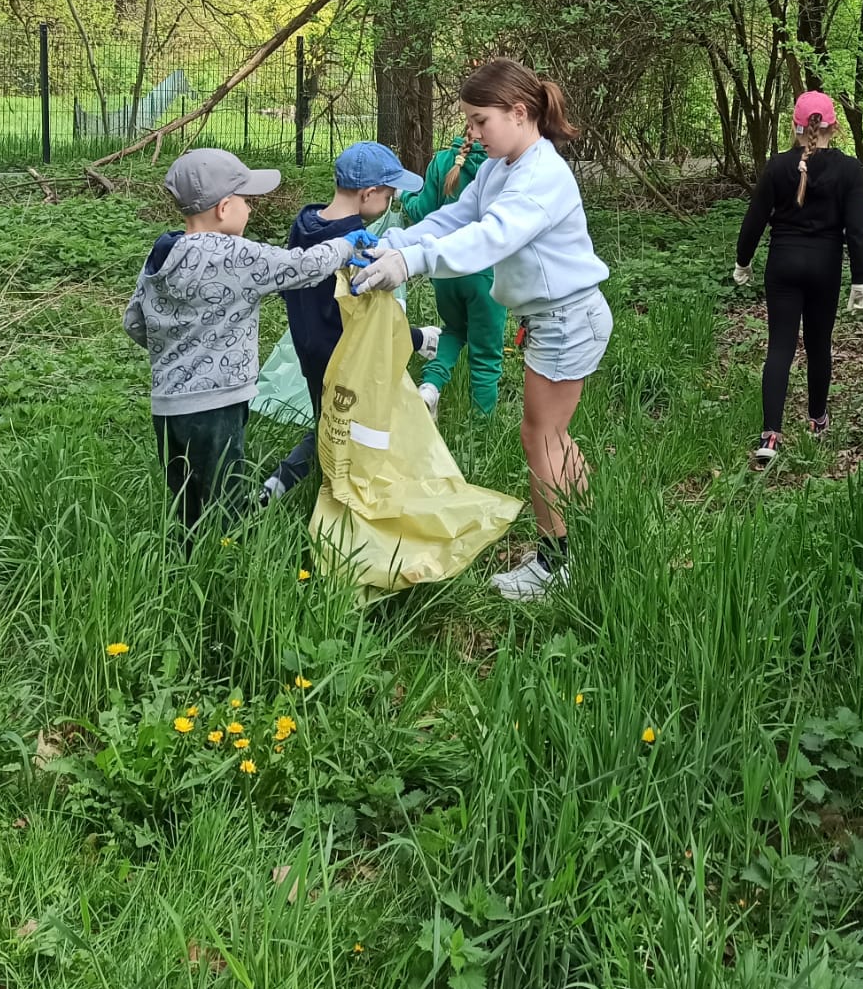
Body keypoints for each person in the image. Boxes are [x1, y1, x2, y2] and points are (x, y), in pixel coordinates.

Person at [352, 59, 610, 602]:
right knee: (551, 436)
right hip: (554, 319)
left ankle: (556, 566)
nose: (471, 133)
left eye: (479, 120)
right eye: (469, 121)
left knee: (541, 437)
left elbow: (490, 238)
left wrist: (412, 263)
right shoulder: (500, 167)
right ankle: (587, 536)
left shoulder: (539, 176)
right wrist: (393, 243)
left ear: (518, 113)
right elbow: (454, 219)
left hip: (567, 320)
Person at [124, 147, 374, 538]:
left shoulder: (162, 253)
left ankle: (187, 554)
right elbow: (302, 267)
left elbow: (134, 323)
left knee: (186, 500)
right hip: (218, 403)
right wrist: (345, 245)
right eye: (245, 200)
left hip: (167, 406)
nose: (251, 208)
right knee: (226, 497)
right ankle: (227, 559)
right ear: (224, 208)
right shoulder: (234, 255)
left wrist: (176, 350)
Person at [261, 141, 441, 505]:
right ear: (368, 193)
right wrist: (419, 337)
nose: (390, 202)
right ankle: (356, 498)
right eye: (388, 194)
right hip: (345, 360)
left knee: (326, 423)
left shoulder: (305, 224)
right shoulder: (354, 246)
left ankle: (278, 486)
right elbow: (370, 328)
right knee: (349, 430)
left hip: (308, 348)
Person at [734, 91, 863, 465]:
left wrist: (743, 261)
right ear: (834, 127)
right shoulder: (849, 170)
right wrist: (860, 278)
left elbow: (754, 219)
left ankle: (770, 436)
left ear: (795, 127)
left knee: (780, 347)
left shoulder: (778, 166)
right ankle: (817, 421)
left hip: (783, 265)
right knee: (818, 345)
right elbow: (857, 229)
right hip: (825, 268)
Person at [401, 133, 507, 418]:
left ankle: (429, 388)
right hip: (486, 275)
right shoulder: (504, 167)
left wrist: (404, 196)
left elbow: (423, 212)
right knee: (486, 355)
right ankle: (481, 429)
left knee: (454, 330)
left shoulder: (442, 161)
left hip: (445, 270)